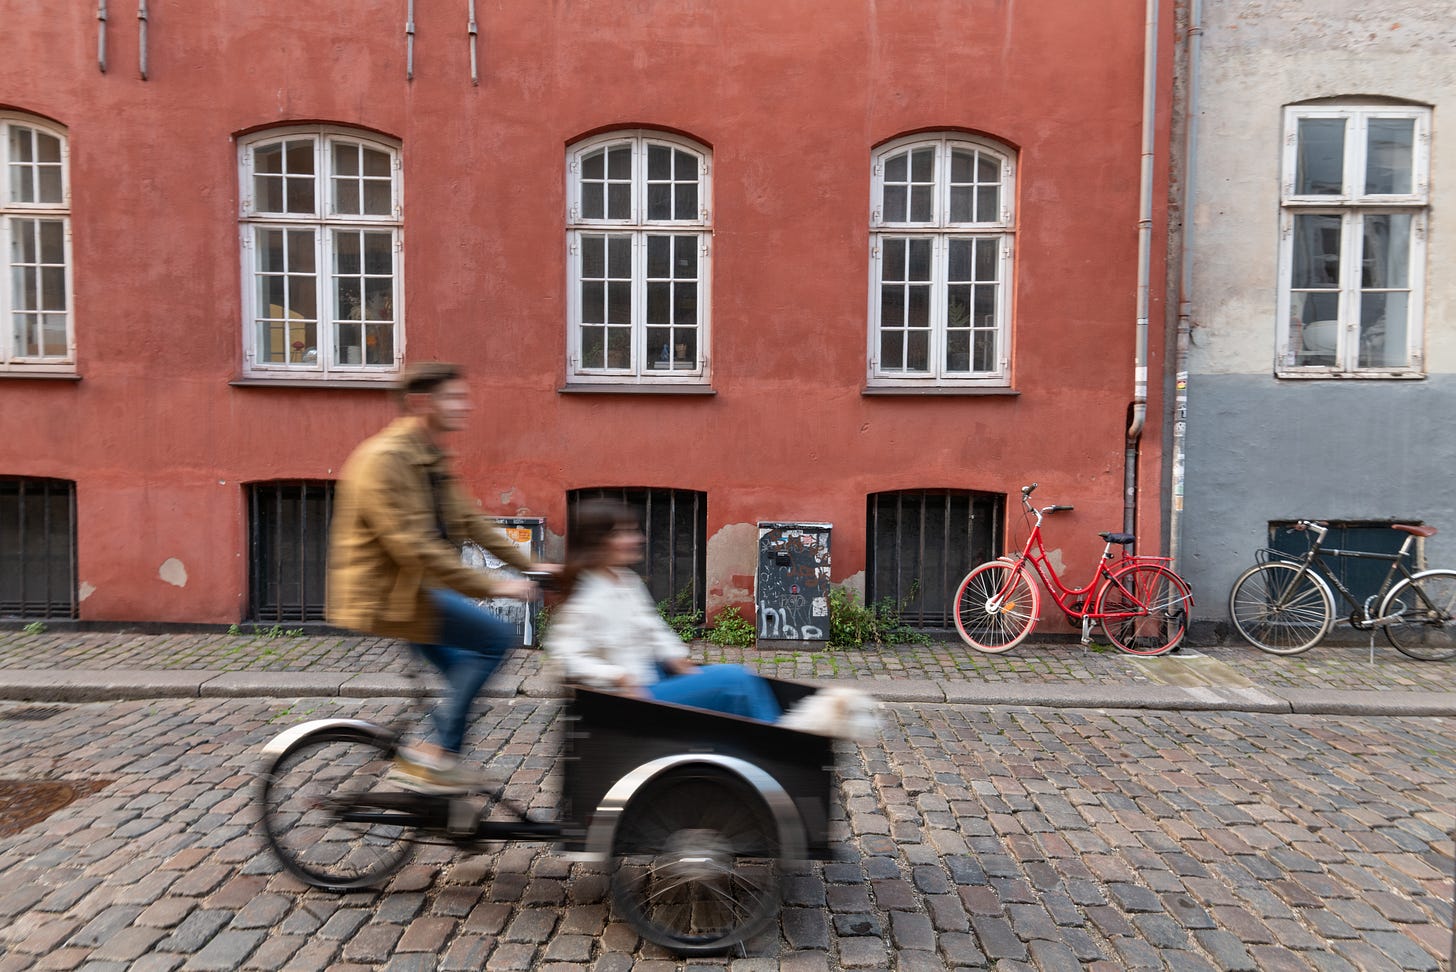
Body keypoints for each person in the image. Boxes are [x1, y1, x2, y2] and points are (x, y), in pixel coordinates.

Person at [327, 361, 552, 793]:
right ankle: (439, 760)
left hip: (415, 586)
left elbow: (470, 521)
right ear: (421, 403)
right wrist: (494, 585)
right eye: (455, 397)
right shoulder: (386, 459)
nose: (466, 405)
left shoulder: (429, 455)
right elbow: (412, 546)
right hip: (389, 592)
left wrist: (533, 566)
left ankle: (439, 789)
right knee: (494, 640)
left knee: (462, 676)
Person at [545, 499, 781, 722]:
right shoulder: (584, 597)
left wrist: (676, 656)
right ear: (598, 541)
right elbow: (567, 657)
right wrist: (618, 676)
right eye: (624, 532)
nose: (639, 538)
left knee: (742, 678)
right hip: (631, 701)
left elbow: (653, 628)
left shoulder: (627, 580)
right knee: (736, 679)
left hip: (651, 681)